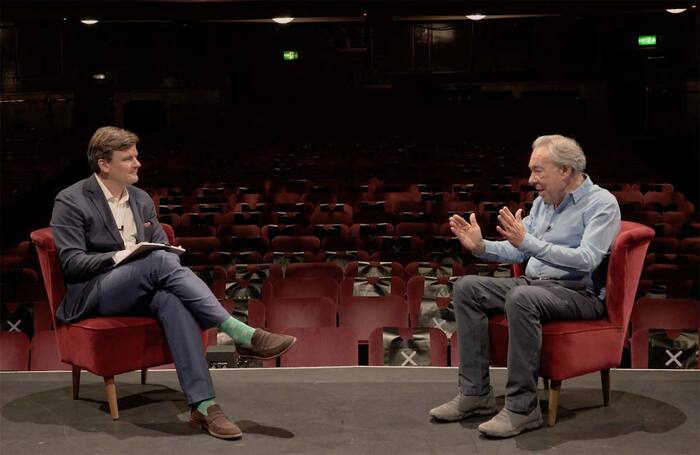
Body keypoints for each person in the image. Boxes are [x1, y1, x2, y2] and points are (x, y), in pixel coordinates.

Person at [50, 126, 297, 440]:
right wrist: (121, 256)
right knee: (158, 261)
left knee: (173, 298)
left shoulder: (140, 199)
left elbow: (159, 250)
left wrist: (153, 255)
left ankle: (204, 405)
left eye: (136, 156)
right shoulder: (71, 200)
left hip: (142, 286)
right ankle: (238, 331)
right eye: (128, 158)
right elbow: (72, 264)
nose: (137, 163)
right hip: (95, 292)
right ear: (103, 164)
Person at [429, 134, 621, 438]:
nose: (531, 179)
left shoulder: (602, 204)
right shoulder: (544, 203)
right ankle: (475, 394)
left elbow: (586, 259)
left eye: (538, 170)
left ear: (565, 170)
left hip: (577, 293)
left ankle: (522, 408)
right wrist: (481, 247)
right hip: (534, 284)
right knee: (467, 287)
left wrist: (529, 242)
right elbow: (519, 250)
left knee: (522, 297)